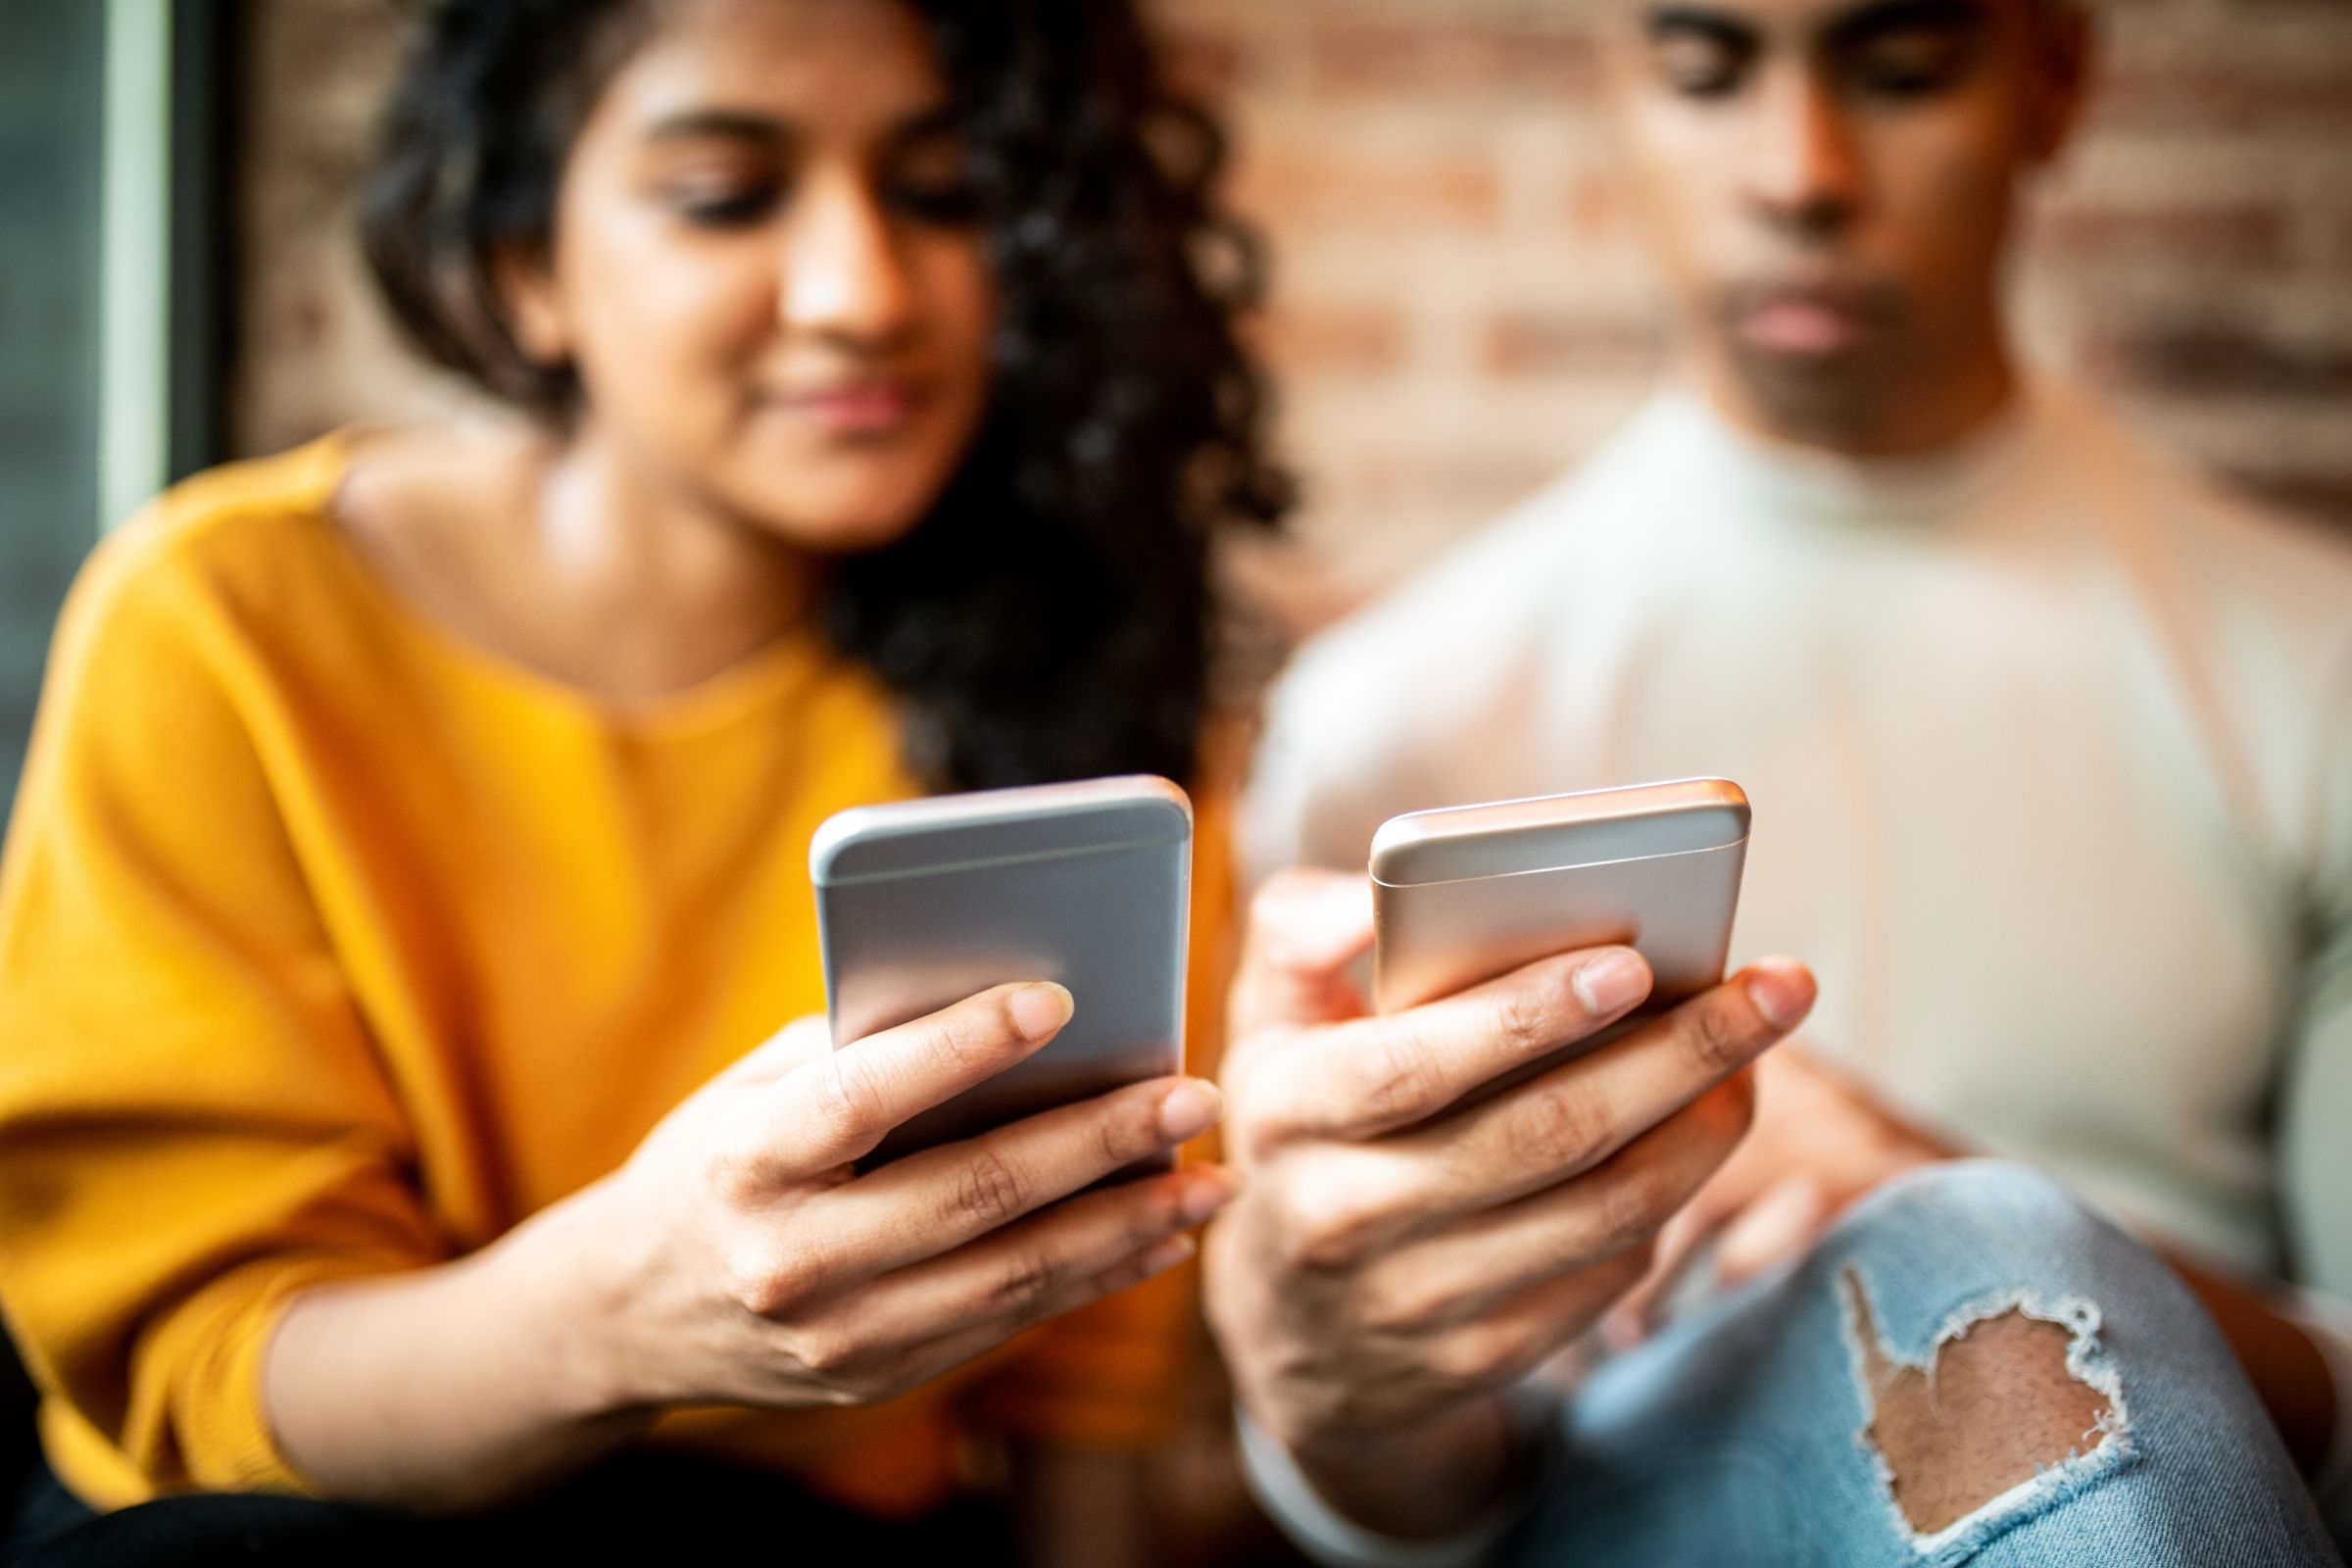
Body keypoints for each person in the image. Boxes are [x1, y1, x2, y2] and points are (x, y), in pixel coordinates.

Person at [0, 1, 1291, 1562]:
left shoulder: (1077, 664)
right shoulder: (227, 625)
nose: (860, 294)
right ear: (524, 267)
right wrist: (615, 1318)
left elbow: (1083, 1386)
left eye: (944, 194)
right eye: (724, 198)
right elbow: (206, 1363)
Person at [1213, 0, 2352, 1560]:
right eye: (1703, 71)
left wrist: (1979, 1238)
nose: (1796, 173)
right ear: (1608, 88)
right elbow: (1416, 1509)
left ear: (2053, 78)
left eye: (1897, 69)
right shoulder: (1394, 722)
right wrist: (1329, 1387)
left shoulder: (2317, 667)